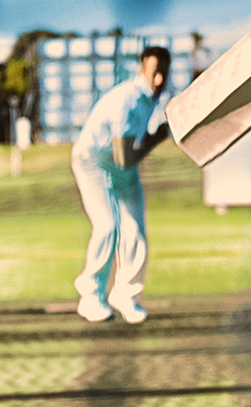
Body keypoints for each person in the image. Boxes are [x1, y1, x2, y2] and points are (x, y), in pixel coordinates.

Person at [69, 46, 172, 324]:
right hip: (93, 161)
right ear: (142, 69)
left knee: (135, 229)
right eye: (154, 72)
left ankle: (125, 295)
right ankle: (90, 296)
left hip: (120, 163)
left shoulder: (152, 97)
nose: (160, 79)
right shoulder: (127, 99)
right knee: (107, 225)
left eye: (164, 72)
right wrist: (157, 137)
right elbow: (125, 158)